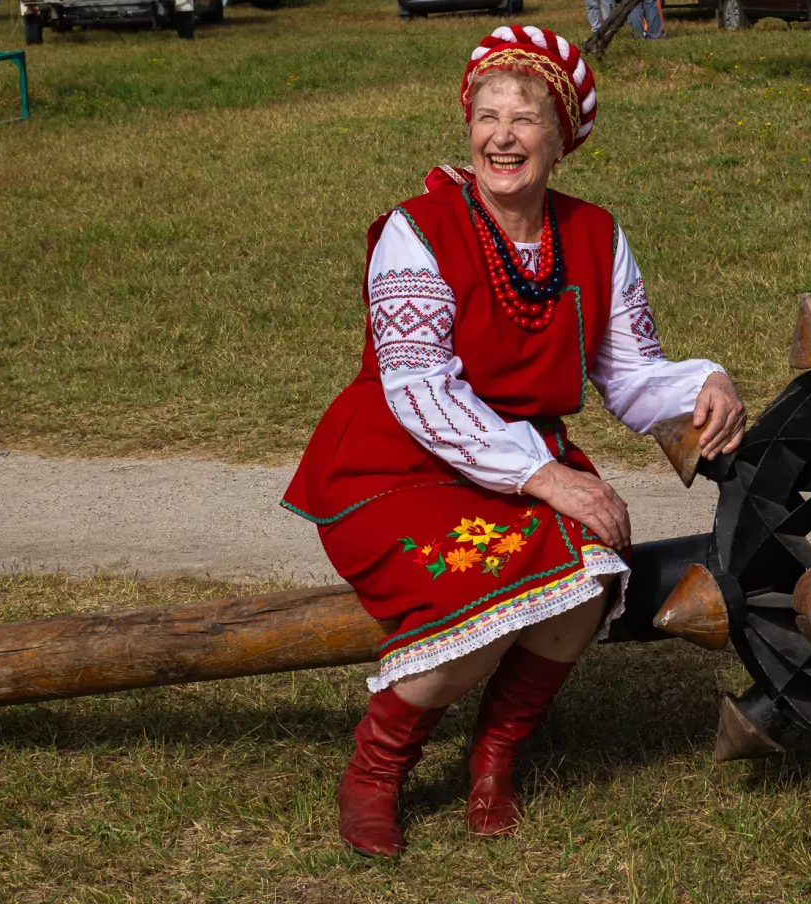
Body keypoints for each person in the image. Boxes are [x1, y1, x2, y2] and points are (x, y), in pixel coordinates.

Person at [281, 24, 746, 855]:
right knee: (489, 589)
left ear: (560, 139)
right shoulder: (417, 230)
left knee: (593, 566)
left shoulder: (595, 236)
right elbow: (421, 387)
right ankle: (377, 767)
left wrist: (701, 384)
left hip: (523, 458)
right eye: (487, 115)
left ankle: (496, 754)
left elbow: (632, 372)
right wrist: (542, 476)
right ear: (468, 126)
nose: (502, 136)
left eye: (525, 118)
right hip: (398, 460)